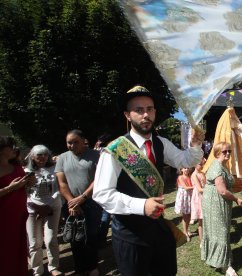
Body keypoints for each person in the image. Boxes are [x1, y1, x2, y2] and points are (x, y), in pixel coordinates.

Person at [92, 85, 204, 276]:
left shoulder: (161, 143)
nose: (146, 115)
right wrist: (141, 205)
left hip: (158, 230)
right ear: (127, 115)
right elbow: (102, 194)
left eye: (149, 109)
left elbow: (185, 160)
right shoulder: (116, 149)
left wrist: (195, 144)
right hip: (130, 235)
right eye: (139, 110)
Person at [55, 129, 102, 276]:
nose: (72, 145)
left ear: (84, 141)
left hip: (91, 202)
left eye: (76, 142)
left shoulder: (96, 155)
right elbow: (62, 183)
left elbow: (99, 178)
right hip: (70, 205)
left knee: (91, 235)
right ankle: (80, 268)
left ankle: (93, 266)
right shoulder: (62, 158)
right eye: (69, 142)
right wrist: (72, 202)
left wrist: (83, 197)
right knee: (75, 238)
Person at [201, 142, 242, 276]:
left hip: (219, 202)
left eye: (229, 151)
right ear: (218, 152)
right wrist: (237, 199)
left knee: (220, 230)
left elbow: (227, 185)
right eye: (225, 151)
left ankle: (217, 258)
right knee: (221, 230)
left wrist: (241, 187)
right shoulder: (217, 167)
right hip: (215, 203)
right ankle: (225, 266)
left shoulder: (222, 166)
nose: (228, 153)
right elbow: (222, 191)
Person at [0, 136, 35, 276]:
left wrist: (30, 182)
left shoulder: (16, 166)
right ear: (1, 150)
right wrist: (11, 188)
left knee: (17, 249)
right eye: (11, 146)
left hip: (18, 215)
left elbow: (26, 188)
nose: (15, 149)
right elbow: (13, 188)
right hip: (3, 218)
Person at [26, 145, 63, 276]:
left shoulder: (55, 168)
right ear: (32, 157)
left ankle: (53, 267)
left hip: (53, 207)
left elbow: (60, 188)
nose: (42, 157)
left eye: (45, 154)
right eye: (39, 155)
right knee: (35, 243)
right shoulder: (26, 171)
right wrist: (38, 207)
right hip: (33, 210)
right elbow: (25, 194)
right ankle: (37, 271)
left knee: (51, 239)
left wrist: (48, 204)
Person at [174, 167, 194, 241]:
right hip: (184, 197)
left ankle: (187, 230)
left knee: (188, 214)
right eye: (184, 168)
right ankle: (185, 232)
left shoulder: (189, 177)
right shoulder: (180, 177)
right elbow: (185, 187)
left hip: (189, 195)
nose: (186, 169)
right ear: (181, 170)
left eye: (188, 168)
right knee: (185, 215)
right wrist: (195, 186)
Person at [191, 158, 207, 244]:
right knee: (201, 220)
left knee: (207, 219)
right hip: (199, 198)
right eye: (200, 164)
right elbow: (200, 189)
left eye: (202, 164)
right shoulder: (194, 175)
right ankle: (202, 241)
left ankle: (207, 237)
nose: (201, 165)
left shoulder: (202, 173)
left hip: (205, 196)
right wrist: (211, 189)